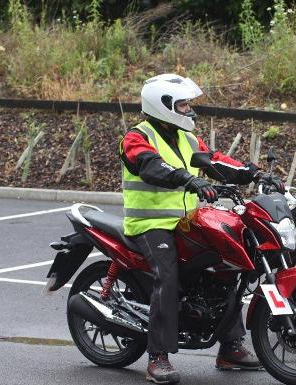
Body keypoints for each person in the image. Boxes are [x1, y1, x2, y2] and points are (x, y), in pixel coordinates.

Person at [120, 74, 268, 384]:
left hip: (188, 220)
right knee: (168, 276)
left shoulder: (185, 138)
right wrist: (189, 179)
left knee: (224, 267)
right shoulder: (136, 137)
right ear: (163, 107)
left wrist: (254, 174)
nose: (189, 110)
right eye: (183, 104)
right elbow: (151, 166)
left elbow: (214, 160)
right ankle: (158, 357)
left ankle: (229, 346)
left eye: (189, 104)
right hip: (151, 224)